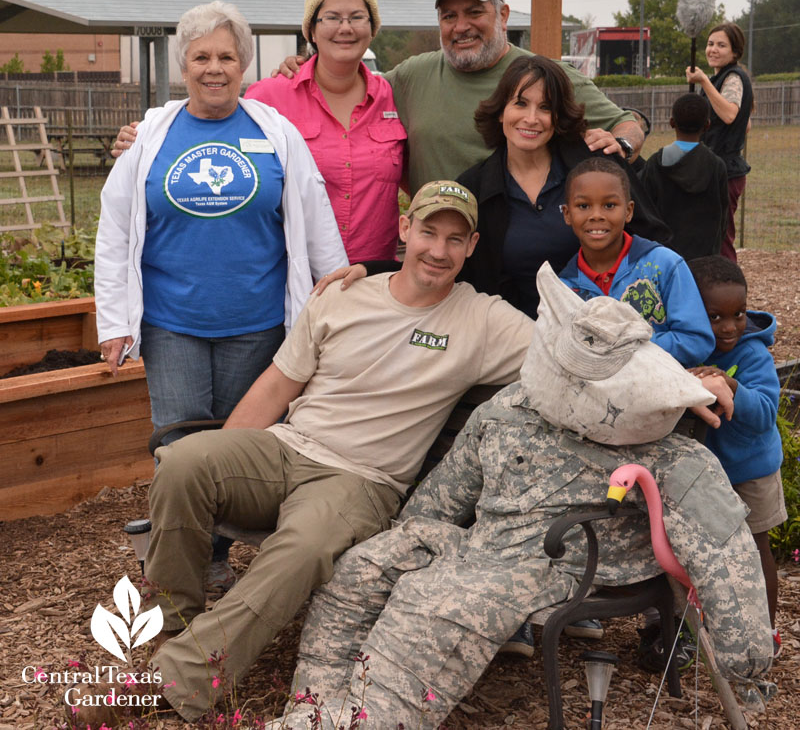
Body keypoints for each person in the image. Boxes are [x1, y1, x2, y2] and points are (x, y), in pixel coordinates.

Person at [73, 182, 536, 728]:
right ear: (404, 230)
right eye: (428, 232)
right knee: (183, 462)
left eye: (454, 239)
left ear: (472, 246)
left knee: (304, 547)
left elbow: (564, 356)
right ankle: (182, 628)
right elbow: (276, 386)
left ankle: (179, 679)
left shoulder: (486, 321)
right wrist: (223, 453)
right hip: (286, 448)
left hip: (362, 479)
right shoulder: (343, 295)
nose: (438, 250)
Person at [274, 264, 771, 729]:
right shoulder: (510, 408)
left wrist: (746, 667)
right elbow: (445, 493)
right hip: (485, 545)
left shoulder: (670, 456)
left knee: (433, 605)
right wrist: (413, 539)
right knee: (362, 568)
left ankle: (366, 720)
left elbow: (727, 559)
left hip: (566, 562)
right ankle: (313, 706)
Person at [94, 0, 347, 590]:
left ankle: (217, 554)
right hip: (172, 324)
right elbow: (114, 232)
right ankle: (188, 566)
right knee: (179, 448)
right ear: (184, 65)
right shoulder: (151, 135)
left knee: (238, 451)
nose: (215, 68)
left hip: (257, 324)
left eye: (227, 56)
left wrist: (336, 300)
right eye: (202, 56)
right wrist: (113, 321)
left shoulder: (273, 132)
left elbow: (314, 219)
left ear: (244, 66)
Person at [277, 0, 645, 194]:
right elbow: (347, 87)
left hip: (520, 248)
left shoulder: (544, 75)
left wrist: (622, 146)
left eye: (474, 12)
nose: (461, 26)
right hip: (438, 250)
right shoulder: (410, 77)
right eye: (449, 15)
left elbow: (627, 122)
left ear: (502, 15)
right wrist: (304, 64)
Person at [114, 0, 406, 264]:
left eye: (357, 17)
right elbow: (214, 132)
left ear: (372, 30)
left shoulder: (395, 95)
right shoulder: (270, 96)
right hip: (299, 279)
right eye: (331, 17)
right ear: (311, 31)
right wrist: (146, 138)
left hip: (378, 278)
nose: (345, 27)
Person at [456, 54, 669, 317]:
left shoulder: (597, 163)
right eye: (520, 103)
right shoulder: (474, 189)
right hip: (519, 335)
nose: (531, 118)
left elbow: (653, 240)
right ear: (501, 111)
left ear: (558, 118)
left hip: (610, 326)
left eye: (545, 108)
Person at [688, 255, 786, 657]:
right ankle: (701, 633)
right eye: (715, 317)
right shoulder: (688, 349)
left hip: (753, 472)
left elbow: (765, 413)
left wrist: (731, 386)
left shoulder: (752, 355)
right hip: (710, 475)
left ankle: (766, 633)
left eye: (738, 314)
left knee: (758, 550)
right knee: (707, 556)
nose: (729, 327)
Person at [559, 158, 715, 367]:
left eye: (609, 205)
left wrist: (626, 348)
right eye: (584, 206)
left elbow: (697, 340)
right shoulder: (564, 288)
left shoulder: (664, 265)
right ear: (567, 214)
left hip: (664, 389)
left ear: (629, 211)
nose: (596, 215)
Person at [686, 22, 754, 262]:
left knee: (721, 238)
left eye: (721, 45)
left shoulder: (733, 77)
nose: (713, 49)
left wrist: (703, 81)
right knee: (710, 235)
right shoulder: (720, 80)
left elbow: (729, 115)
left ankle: (729, 291)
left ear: (735, 52)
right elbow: (745, 124)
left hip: (726, 172)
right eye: (710, 43)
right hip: (714, 168)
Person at [642, 93, 728, 260]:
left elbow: (645, 210)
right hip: (705, 261)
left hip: (664, 259)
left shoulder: (655, 164)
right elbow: (722, 219)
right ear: (708, 125)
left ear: (672, 123)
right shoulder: (717, 167)